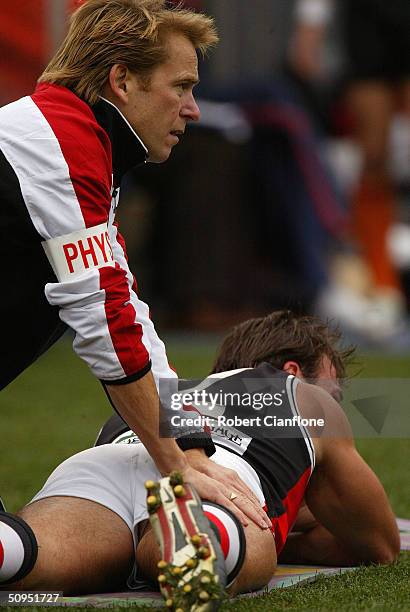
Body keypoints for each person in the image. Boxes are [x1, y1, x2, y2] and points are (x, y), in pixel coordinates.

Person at [0, 0, 271, 587]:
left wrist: (191, 444)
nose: (193, 109)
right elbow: (105, 322)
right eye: (181, 86)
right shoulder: (57, 143)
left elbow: (125, 309)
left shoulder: (77, 140)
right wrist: (177, 467)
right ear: (121, 79)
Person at [0, 311, 399, 610]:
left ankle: (8, 545)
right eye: (335, 389)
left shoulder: (159, 390)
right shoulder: (297, 395)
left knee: (31, 554)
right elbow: (377, 543)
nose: (337, 401)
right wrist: (286, 538)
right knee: (225, 542)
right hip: (216, 472)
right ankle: (205, 535)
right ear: (293, 371)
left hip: (107, 459)